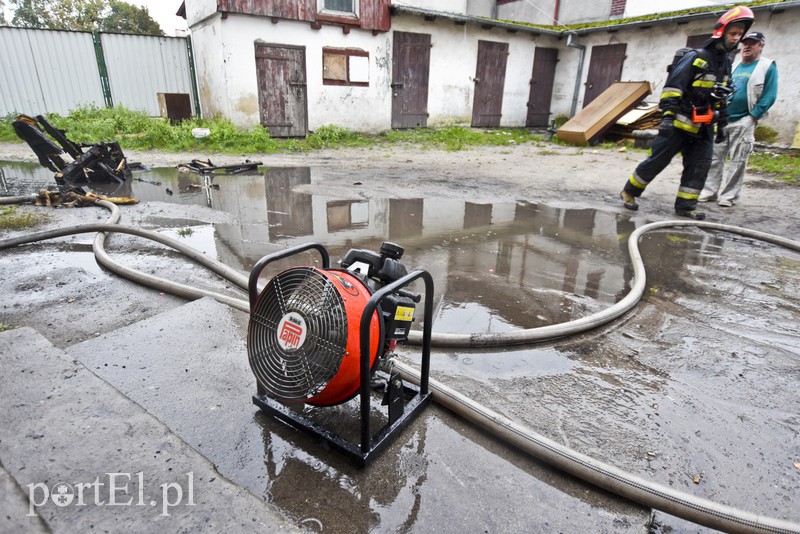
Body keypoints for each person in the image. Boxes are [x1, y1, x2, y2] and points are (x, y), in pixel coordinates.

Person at [619, 6, 754, 220]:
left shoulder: (727, 62)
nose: (736, 38)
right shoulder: (696, 57)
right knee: (657, 161)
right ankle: (629, 192)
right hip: (678, 124)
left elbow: (722, 96)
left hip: (704, 126)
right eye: (733, 33)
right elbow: (673, 88)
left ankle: (686, 206)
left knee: (699, 166)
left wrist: (723, 125)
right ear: (722, 32)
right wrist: (667, 118)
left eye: (739, 34)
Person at [699, 31, 778, 207]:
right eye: (745, 43)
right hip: (724, 118)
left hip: (745, 119)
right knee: (715, 157)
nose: (747, 46)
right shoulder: (734, 65)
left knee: (738, 160)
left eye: (752, 43)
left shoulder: (767, 66)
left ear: (761, 46)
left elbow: (770, 95)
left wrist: (753, 116)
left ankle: (728, 196)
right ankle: (709, 191)